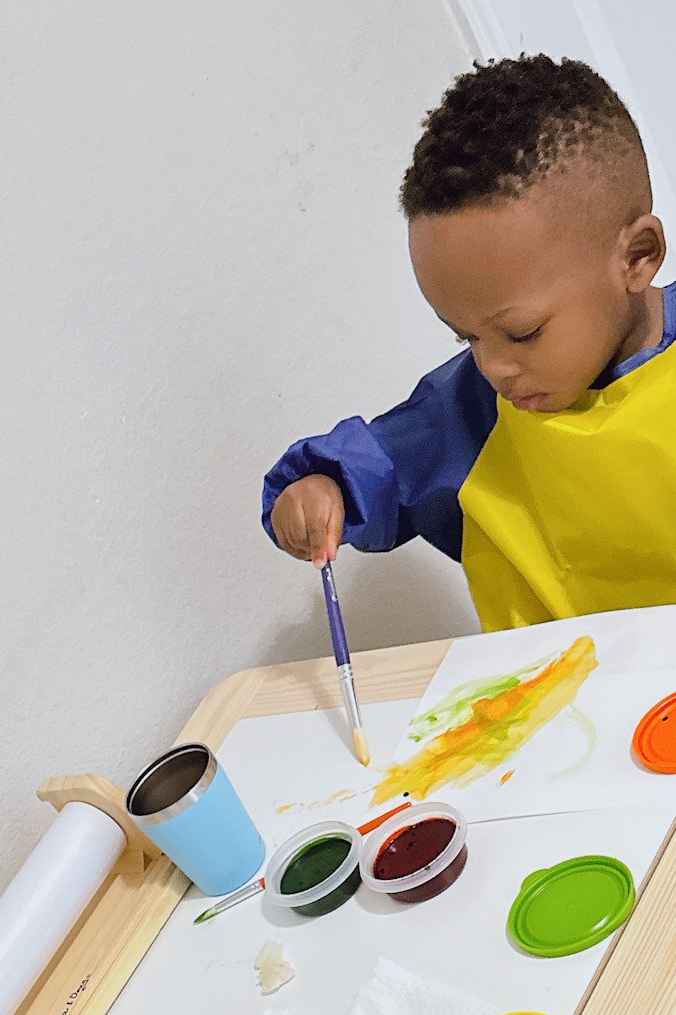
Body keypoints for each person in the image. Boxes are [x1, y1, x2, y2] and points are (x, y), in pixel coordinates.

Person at [265, 54, 676, 630]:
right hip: (562, 704)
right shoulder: (473, 414)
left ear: (637, 257)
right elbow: (374, 463)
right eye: (467, 338)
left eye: (523, 333)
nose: (495, 368)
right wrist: (318, 489)